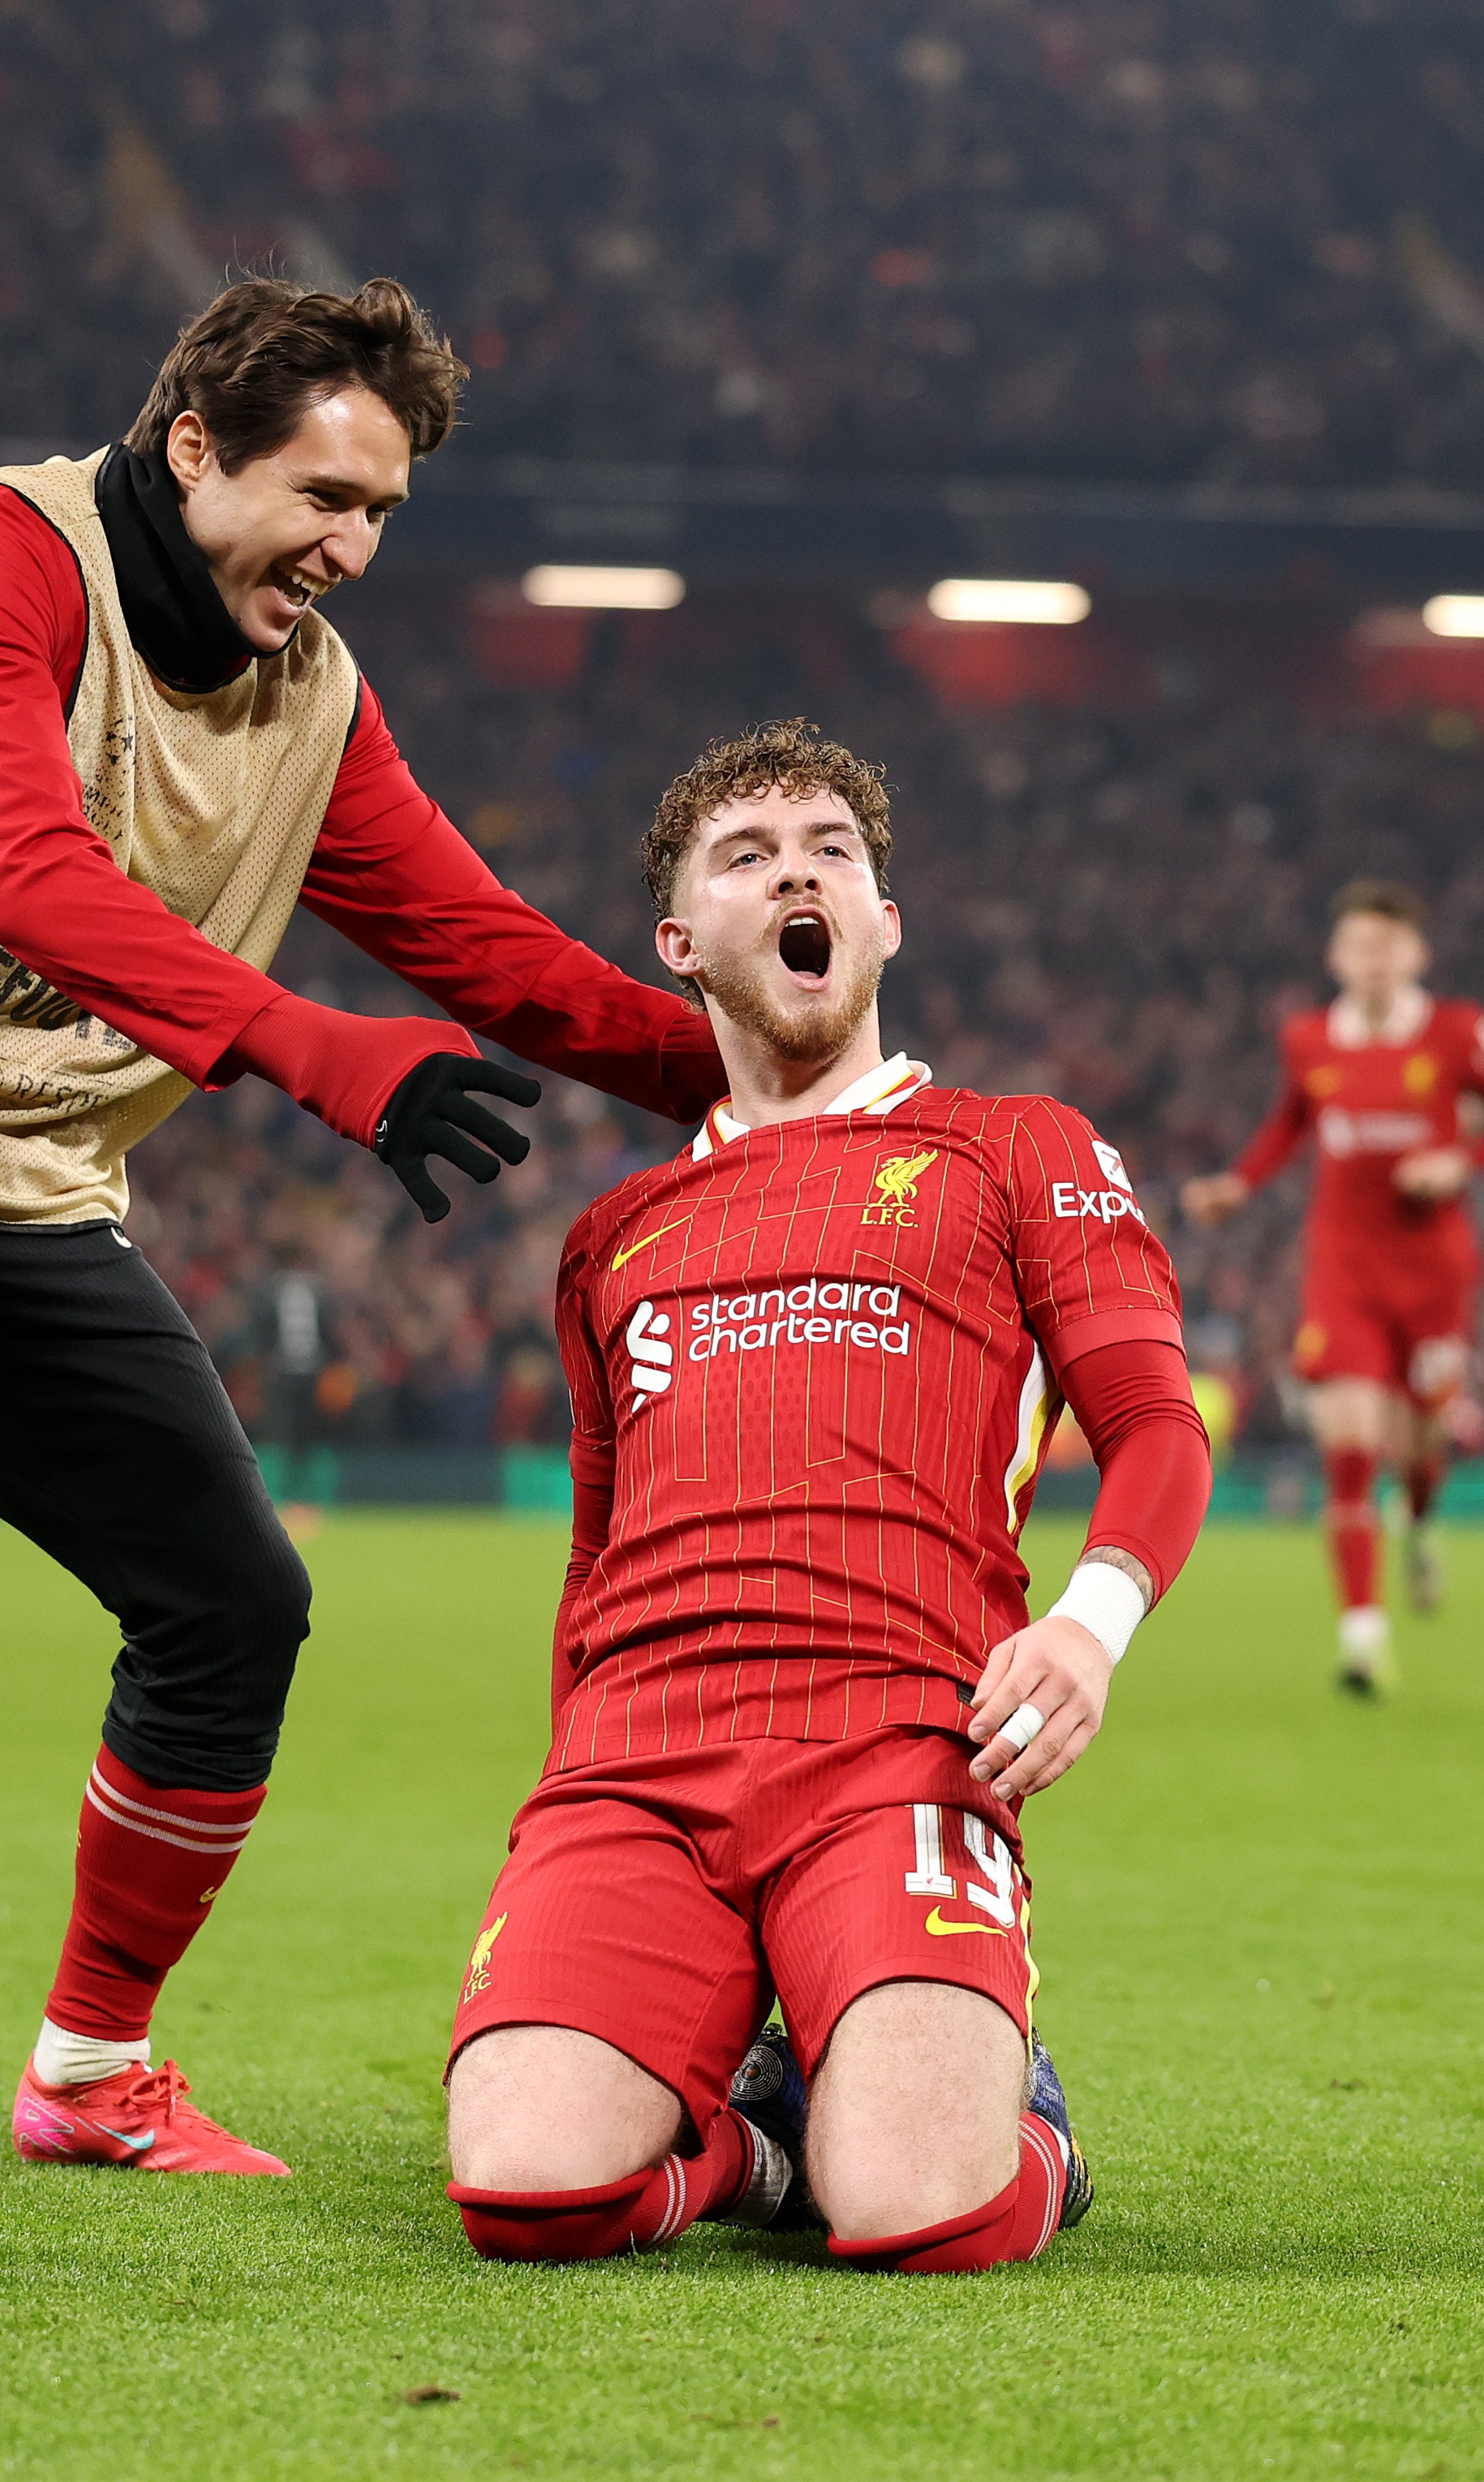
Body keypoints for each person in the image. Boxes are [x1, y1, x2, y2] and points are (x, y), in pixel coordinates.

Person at [0, 278, 725, 2184]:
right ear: (191, 447)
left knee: (233, 1602)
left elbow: (490, 954)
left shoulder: (303, 700)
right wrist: (328, 1058)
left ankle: (92, 2072)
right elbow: (27, 873)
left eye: (383, 517)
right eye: (326, 494)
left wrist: (782, 1077)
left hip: (16, 1185)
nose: (351, 548)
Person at [440, 721, 1212, 2273]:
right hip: (639, 1759)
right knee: (526, 2190)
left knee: (928, 2208)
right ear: (679, 943)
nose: (798, 869)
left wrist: (1086, 1626)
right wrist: (558, 1787)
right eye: (746, 855)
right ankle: (763, 2141)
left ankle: (1017, 2111)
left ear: (881, 920)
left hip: (893, 1741)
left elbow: (1154, 1423)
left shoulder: (1011, 1149)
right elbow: (594, 1565)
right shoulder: (612, 1233)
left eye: (832, 852)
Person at [1179, 881, 1484, 1695]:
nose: (1372, 961)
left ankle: (1418, 1522)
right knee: (1349, 1446)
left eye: (1388, 947)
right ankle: (1361, 1634)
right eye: (1358, 946)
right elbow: (1290, 1120)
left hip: (1434, 1279)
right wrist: (1240, 1183)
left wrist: (1462, 1160)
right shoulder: (1309, 1038)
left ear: (1414, 955)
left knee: (1420, 1444)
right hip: (1342, 1273)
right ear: (1336, 956)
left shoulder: (1461, 1034)